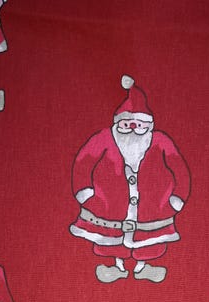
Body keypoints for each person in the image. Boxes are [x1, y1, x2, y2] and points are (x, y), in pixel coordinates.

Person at [70, 75, 191, 283]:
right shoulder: (104, 139)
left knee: (149, 242)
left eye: (139, 124)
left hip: (154, 208)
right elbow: (83, 162)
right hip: (108, 205)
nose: (133, 128)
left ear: (148, 124)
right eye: (128, 123)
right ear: (119, 122)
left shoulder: (160, 141)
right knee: (111, 240)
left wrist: (177, 197)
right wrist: (85, 192)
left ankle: (143, 268)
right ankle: (116, 267)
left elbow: (179, 167)